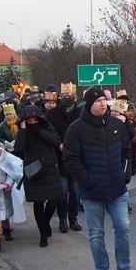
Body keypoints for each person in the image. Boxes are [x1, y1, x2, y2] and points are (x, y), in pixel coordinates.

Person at [63, 88, 136, 270]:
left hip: (117, 189)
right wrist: (86, 181)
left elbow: (127, 150)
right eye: (98, 101)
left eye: (104, 100)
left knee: (123, 227)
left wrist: (125, 174)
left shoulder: (116, 124)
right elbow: (70, 160)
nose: (103, 104)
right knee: (96, 234)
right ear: (89, 104)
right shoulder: (76, 129)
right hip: (92, 192)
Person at [14, 105, 63, 247]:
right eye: (29, 120)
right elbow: (18, 148)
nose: (33, 122)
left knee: (53, 200)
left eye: (35, 119)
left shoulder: (47, 127)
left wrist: (39, 131)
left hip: (50, 168)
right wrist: (23, 129)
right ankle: (42, 233)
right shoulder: (23, 131)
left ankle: (46, 222)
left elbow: (55, 142)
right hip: (33, 170)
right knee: (38, 202)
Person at [45, 83, 83, 232]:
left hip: (76, 157)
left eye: (70, 97)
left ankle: (73, 218)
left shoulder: (80, 113)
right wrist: (58, 144)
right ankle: (62, 219)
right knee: (62, 191)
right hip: (59, 158)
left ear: (75, 98)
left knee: (74, 191)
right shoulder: (52, 114)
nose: (67, 99)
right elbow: (47, 132)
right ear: (60, 97)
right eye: (65, 96)